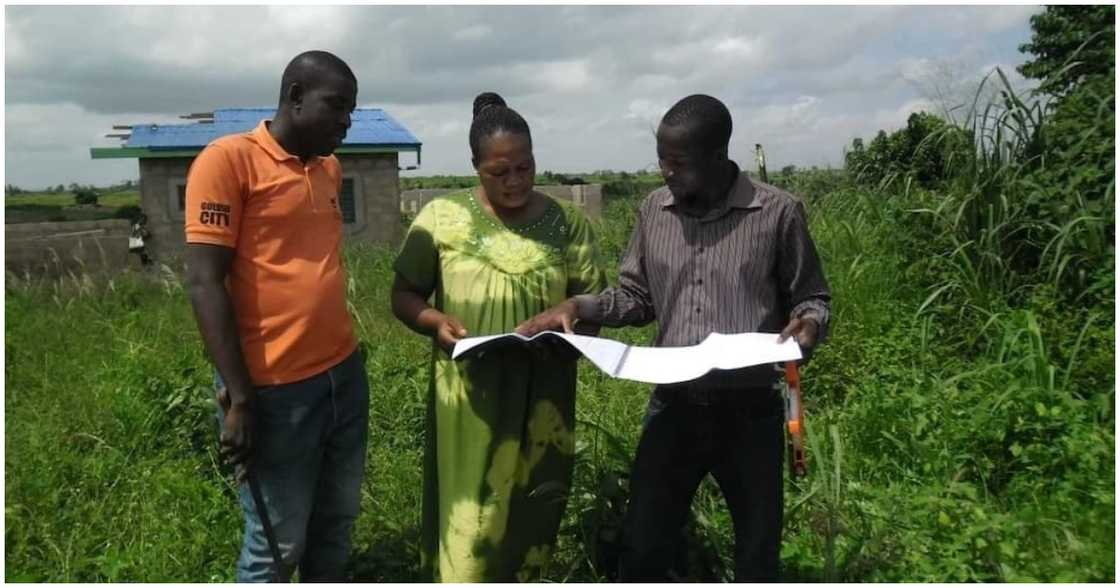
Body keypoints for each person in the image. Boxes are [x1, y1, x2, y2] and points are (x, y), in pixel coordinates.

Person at [517, 94, 832, 581]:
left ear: (717, 156)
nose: (665, 171)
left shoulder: (776, 213)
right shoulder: (654, 211)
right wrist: (580, 307)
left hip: (750, 411)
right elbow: (635, 296)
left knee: (757, 550)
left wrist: (808, 326)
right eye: (662, 158)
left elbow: (811, 298)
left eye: (678, 162)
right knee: (644, 544)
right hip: (674, 407)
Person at [390, 92, 606, 581]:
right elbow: (404, 294)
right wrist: (434, 322)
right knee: (471, 521)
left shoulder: (566, 224)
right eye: (499, 172)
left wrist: (574, 330)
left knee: (533, 515)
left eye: (525, 169)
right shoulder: (441, 219)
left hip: (544, 397)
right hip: (468, 400)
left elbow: (594, 305)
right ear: (475, 167)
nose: (514, 182)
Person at [184, 50, 369, 582]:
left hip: (342, 376)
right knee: (278, 542)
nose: (346, 122)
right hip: (273, 392)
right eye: (336, 106)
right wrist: (240, 398)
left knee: (337, 521)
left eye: (351, 110)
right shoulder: (228, 162)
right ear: (294, 96)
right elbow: (204, 281)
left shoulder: (329, 168)